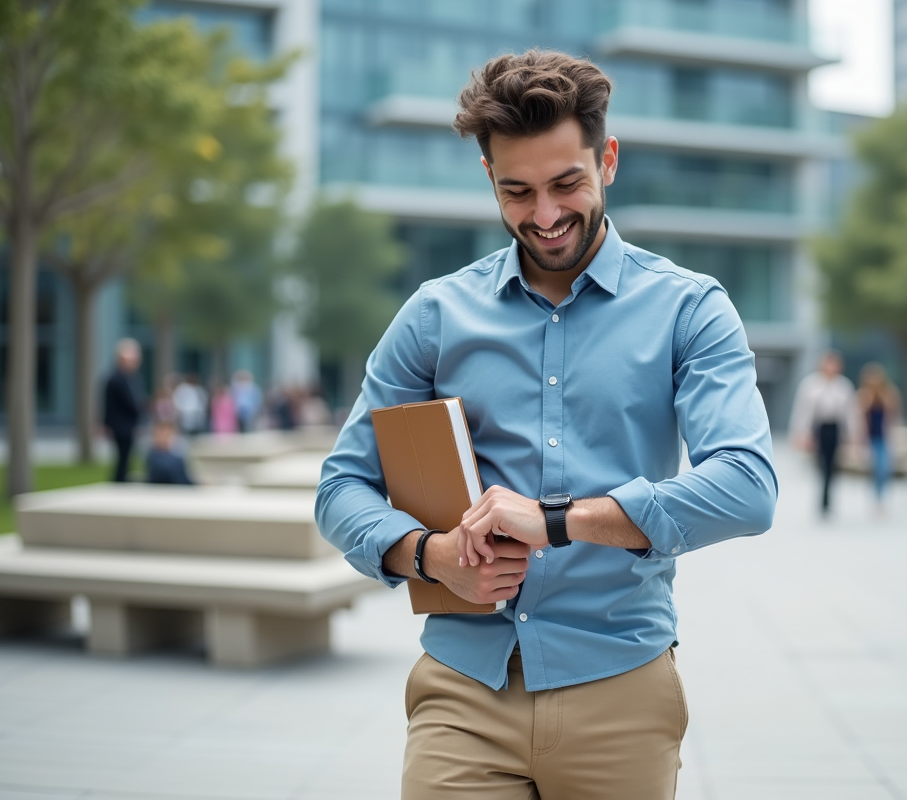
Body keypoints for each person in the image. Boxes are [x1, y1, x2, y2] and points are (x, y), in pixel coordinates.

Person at [315, 50, 778, 800]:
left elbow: (748, 487)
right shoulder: (435, 316)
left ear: (609, 160)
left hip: (621, 688)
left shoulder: (689, 310)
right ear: (490, 181)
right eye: (517, 191)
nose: (546, 215)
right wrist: (429, 556)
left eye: (567, 183)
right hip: (464, 689)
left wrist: (558, 521)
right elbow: (341, 487)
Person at [789, 350, 860, 516]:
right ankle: (823, 500)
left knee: (832, 465)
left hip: (835, 429)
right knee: (821, 464)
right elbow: (803, 412)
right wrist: (800, 433)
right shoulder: (811, 384)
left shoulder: (844, 386)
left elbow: (850, 413)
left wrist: (853, 435)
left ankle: (828, 499)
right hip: (819, 429)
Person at [856, 362, 901, 512]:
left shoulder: (888, 393)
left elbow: (894, 415)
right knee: (874, 469)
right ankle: (875, 498)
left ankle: (880, 498)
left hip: (883, 437)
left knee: (883, 469)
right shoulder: (863, 395)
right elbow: (859, 417)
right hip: (870, 438)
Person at [102, 338, 144, 483]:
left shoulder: (132, 378)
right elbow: (128, 403)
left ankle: (121, 479)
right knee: (122, 457)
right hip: (121, 426)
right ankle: (119, 481)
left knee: (126, 457)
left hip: (128, 425)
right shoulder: (116, 379)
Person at [144, 420, 195, 485]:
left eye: (168, 434)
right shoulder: (152, 457)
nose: (165, 438)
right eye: (162, 434)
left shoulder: (177, 456)